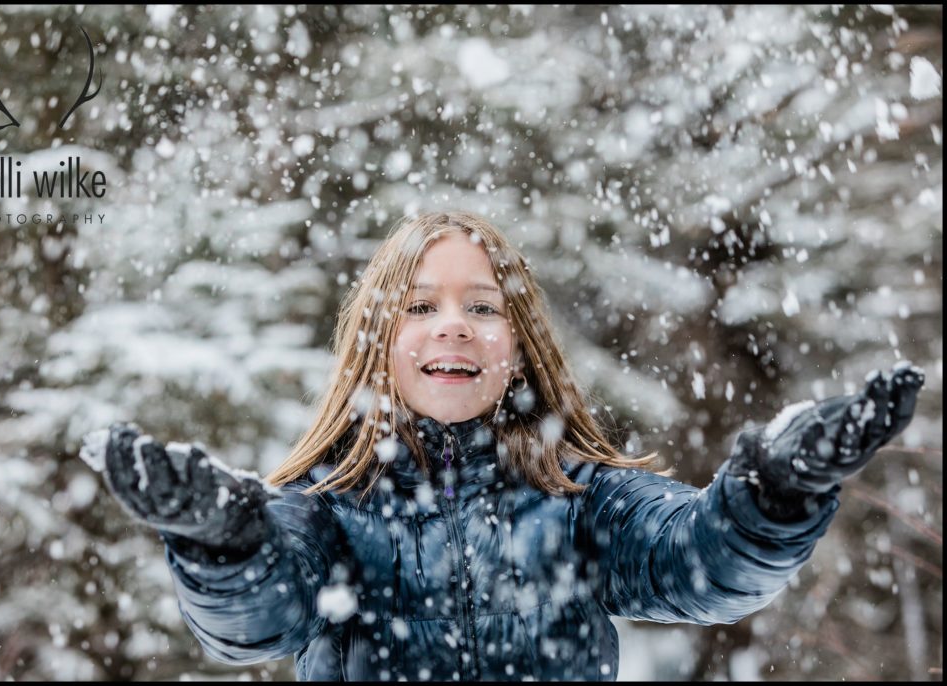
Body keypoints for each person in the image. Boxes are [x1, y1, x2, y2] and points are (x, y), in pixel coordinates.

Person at [83, 211, 925, 681]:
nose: (454, 321)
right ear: (375, 343)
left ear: (517, 346)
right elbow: (254, 622)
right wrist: (222, 541)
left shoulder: (579, 497)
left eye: (482, 307)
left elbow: (704, 563)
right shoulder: (326, 511)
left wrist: (776, 492)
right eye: (420, 306)